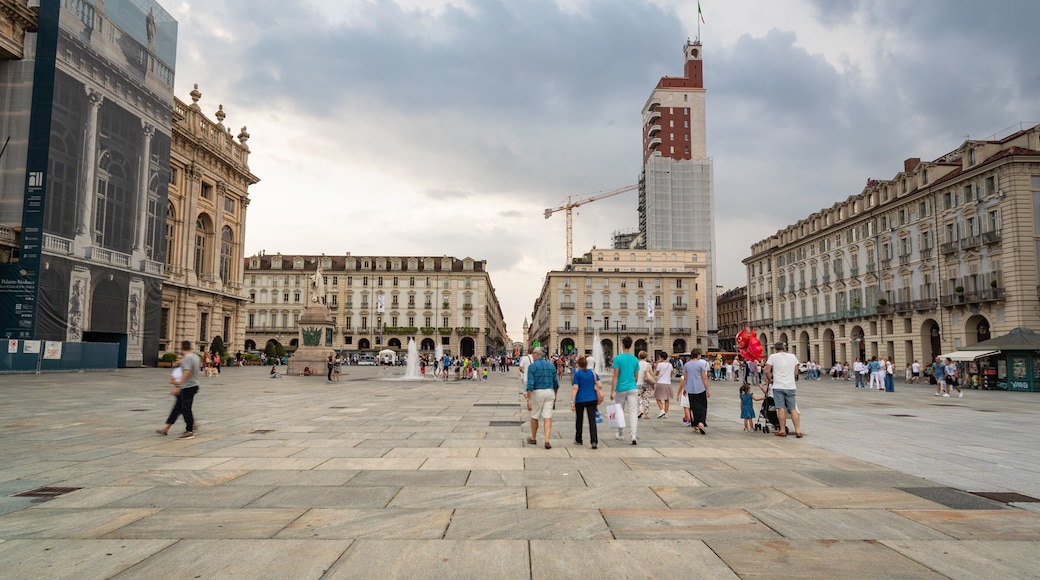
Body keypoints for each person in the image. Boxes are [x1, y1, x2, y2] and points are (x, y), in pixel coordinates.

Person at [156, 341, 202, 439]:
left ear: (181, 348)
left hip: (188, 386)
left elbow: (187, 372)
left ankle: (189, 430)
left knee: (185, 408)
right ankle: (166, 429)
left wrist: (180, 385)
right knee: (179, 407)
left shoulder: (187, 358)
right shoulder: (196, 357)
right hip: (193, 385)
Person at [764, 342, 802, 438]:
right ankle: (798, 431)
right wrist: (790, 377)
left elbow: (767, 370)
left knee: (780, 408)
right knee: (792, 408)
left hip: (778, 386)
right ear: (784, 348)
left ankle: (782, 430)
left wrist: (770, 379)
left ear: (775, 349)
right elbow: (796, 371)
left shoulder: (773, 356)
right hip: (790, 386)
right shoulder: (792, 356)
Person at [525, 347, 559, 449]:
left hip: (537, 392)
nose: (532, 356)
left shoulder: (532, 367)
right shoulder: (551, 365)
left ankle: (534, 438)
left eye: (533, 354)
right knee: (547, 416)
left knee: (534, 415)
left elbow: (530, 384)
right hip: (550, 392)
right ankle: (547, 440)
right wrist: (555, 395)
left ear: (536, 354)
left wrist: (528, 399)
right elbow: (556, 383)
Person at [610, 336, 641, 445]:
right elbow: (637, 377)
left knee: (620, 410)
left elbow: (615, 376)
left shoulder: (618, 359)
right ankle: (633, 435)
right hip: (632, 387)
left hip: (621, 388)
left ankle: (620, 433)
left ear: (622, 345)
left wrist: (612, 391)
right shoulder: (635, 359)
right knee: (633, 411)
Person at [570, 356, 603, 449]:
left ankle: (578, 439)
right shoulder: (593, 373)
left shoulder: (577, 374)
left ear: (578, 364)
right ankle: (594, 441)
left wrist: (572, 401)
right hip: (592, 399)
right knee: (592, 420)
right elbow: (600, 385)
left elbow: (575, 388)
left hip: (580, 399)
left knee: (579, 419)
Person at [679, 349, 710, 434]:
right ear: (698, 355)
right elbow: (704, 378)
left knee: (693, 408)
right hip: (700, 388)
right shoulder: (701, 364)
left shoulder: (686, 365)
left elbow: (685, 378)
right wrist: (708, 389)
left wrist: (685, 389)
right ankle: (701, 422)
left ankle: (694, 425)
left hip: (690, 389)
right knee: (703, 407)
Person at [653, 352, 674, 418]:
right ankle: (666, 413)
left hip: (661, 382)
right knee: (666, 399)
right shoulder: (670, 365)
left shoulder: (660, 365)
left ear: (662, 358)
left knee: (657, 397)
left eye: (659, 357)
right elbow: (671, 374)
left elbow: (656, 373)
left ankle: (662, 410)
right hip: (668, 383)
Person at [636, 350, 655, 419]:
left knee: (639, 398)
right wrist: (653, 384)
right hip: (647, 383)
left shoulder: (637, 364)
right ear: (646, 356)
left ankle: (640, 410)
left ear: (639, 356)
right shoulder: (648, 364)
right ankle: (646, 414)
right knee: (646, 398)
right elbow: (652, 374)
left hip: (639, 383)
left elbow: (635, 374)